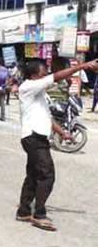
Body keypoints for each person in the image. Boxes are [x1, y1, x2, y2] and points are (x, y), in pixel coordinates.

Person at [15, 59, 98, 232]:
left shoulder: (39, 93)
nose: (47, 70)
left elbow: (47, 117)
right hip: (34, 137)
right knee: (47, 175)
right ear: (35, 72)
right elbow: (56, 76)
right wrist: (83, 66)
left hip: (36, 137)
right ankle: (39, 214)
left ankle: (23, 211)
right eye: (44, 68)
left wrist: (62, 133)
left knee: (33, 175)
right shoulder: (29, 86)